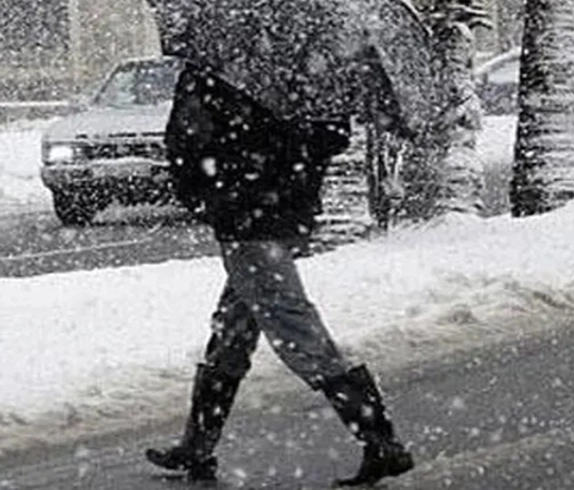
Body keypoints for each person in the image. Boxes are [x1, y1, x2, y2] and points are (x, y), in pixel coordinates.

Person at [145, 62, 414, 486]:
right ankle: (198, 447)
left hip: (248, 220)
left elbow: (187, 142)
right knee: (234, 326)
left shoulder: (215, 66)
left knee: (294, 327)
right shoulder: (310, 62)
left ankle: (380, 440)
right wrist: (288, 162)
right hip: (283, 212)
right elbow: (331, 136)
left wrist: (209, 192)